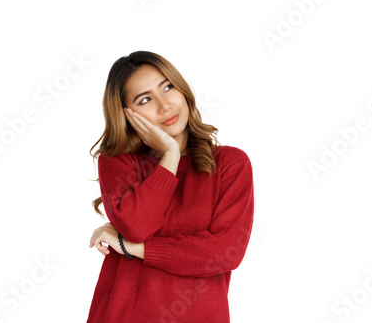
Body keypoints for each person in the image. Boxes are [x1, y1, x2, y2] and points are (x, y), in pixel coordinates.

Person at [86, 50, 254, 323]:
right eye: (145, 99)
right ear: (126, 114)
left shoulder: (230, 164)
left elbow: (224, 252)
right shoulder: (117, 162)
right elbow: (137, 225)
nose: (164, 106)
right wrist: (171, 154)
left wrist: (131, 247)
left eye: (168, 87)